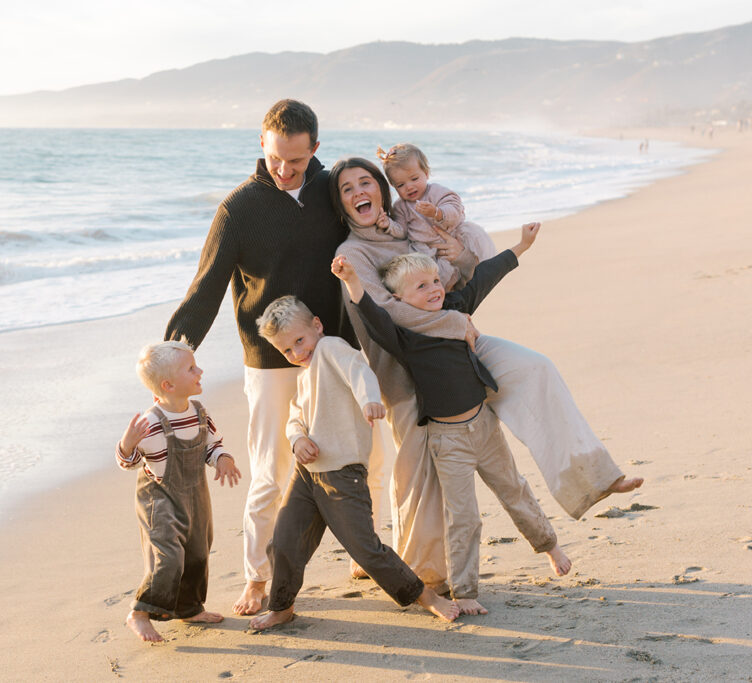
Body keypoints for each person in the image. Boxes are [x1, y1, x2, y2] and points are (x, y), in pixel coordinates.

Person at [330, 157, 642, 588]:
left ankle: (595, 477)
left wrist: (465, 256)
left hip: (462, 351)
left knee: (535, 368)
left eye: (366, 182)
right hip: (408, 371)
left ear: (382, 189)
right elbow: (388, 315)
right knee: (417, 478)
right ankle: (421, 571)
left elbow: (457, 284)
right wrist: (455, 324)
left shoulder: (405, 225)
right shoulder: (352, 253)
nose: (358, 192)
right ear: (340, 203)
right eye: (347, 188)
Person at [165, 100, 378, 616]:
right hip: (269, 359)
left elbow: (381, 222)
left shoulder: (333, 192)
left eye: (297, 162)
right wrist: (174, 354)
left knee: (356, 459)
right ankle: (258, 577)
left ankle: (364, 554)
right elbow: (207, 287)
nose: (285, 171)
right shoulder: (238, 209)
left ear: (315, 151)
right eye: (276, 159)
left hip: (335, 350)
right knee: (270, 470)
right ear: (263, 145)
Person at [333, 226, 571, 615]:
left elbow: (485, 277)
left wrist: (521, 247)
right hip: (448, 441)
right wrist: (353, 280)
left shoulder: (457, 309)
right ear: (400, 300)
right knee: (463, 517)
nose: (433, 290)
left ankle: (549, 545)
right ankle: (465, 590)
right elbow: (373, 318)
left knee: (515, 489)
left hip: (485, 426)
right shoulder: (405, 336)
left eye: (433, 281)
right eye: (420, 287)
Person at [248, 296, 459, 629]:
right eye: (287, 350)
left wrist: (369, 400)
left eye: (300, 341)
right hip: (306, 476)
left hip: (342, 473)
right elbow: (295, 417)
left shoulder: (330, 349)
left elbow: (358, 370)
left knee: (365, 549)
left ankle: (425, 596)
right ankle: (282, 606)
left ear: (317, 325)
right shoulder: (304, 378)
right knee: (285, 540)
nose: (297, 353)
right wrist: (298, 439)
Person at [115, 340, 242, 642]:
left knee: (198, 550)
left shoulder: (198, 412)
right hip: (159, 498)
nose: (200, 370)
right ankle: (141, 612)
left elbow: (212, 444)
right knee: (169, 556)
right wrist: (127, 444)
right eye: (191, 368)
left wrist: (223, 458)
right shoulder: (150, 423)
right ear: (168, 385)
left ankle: (189, 608)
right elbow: (128, 462)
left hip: (195, 494)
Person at [375, 143, 497, 291]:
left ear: (426, 173)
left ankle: (475, 276)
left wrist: (437, 213)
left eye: (414, 179)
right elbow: (402, 231)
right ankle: (446, 292)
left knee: (475, 241)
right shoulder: (401, 207)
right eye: (400, 185)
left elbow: (454, 208)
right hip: (426, 248)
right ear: (393, 186)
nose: (409, 187)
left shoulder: (437, 192)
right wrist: (388, 224)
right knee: (430, 273)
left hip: (453, 234)